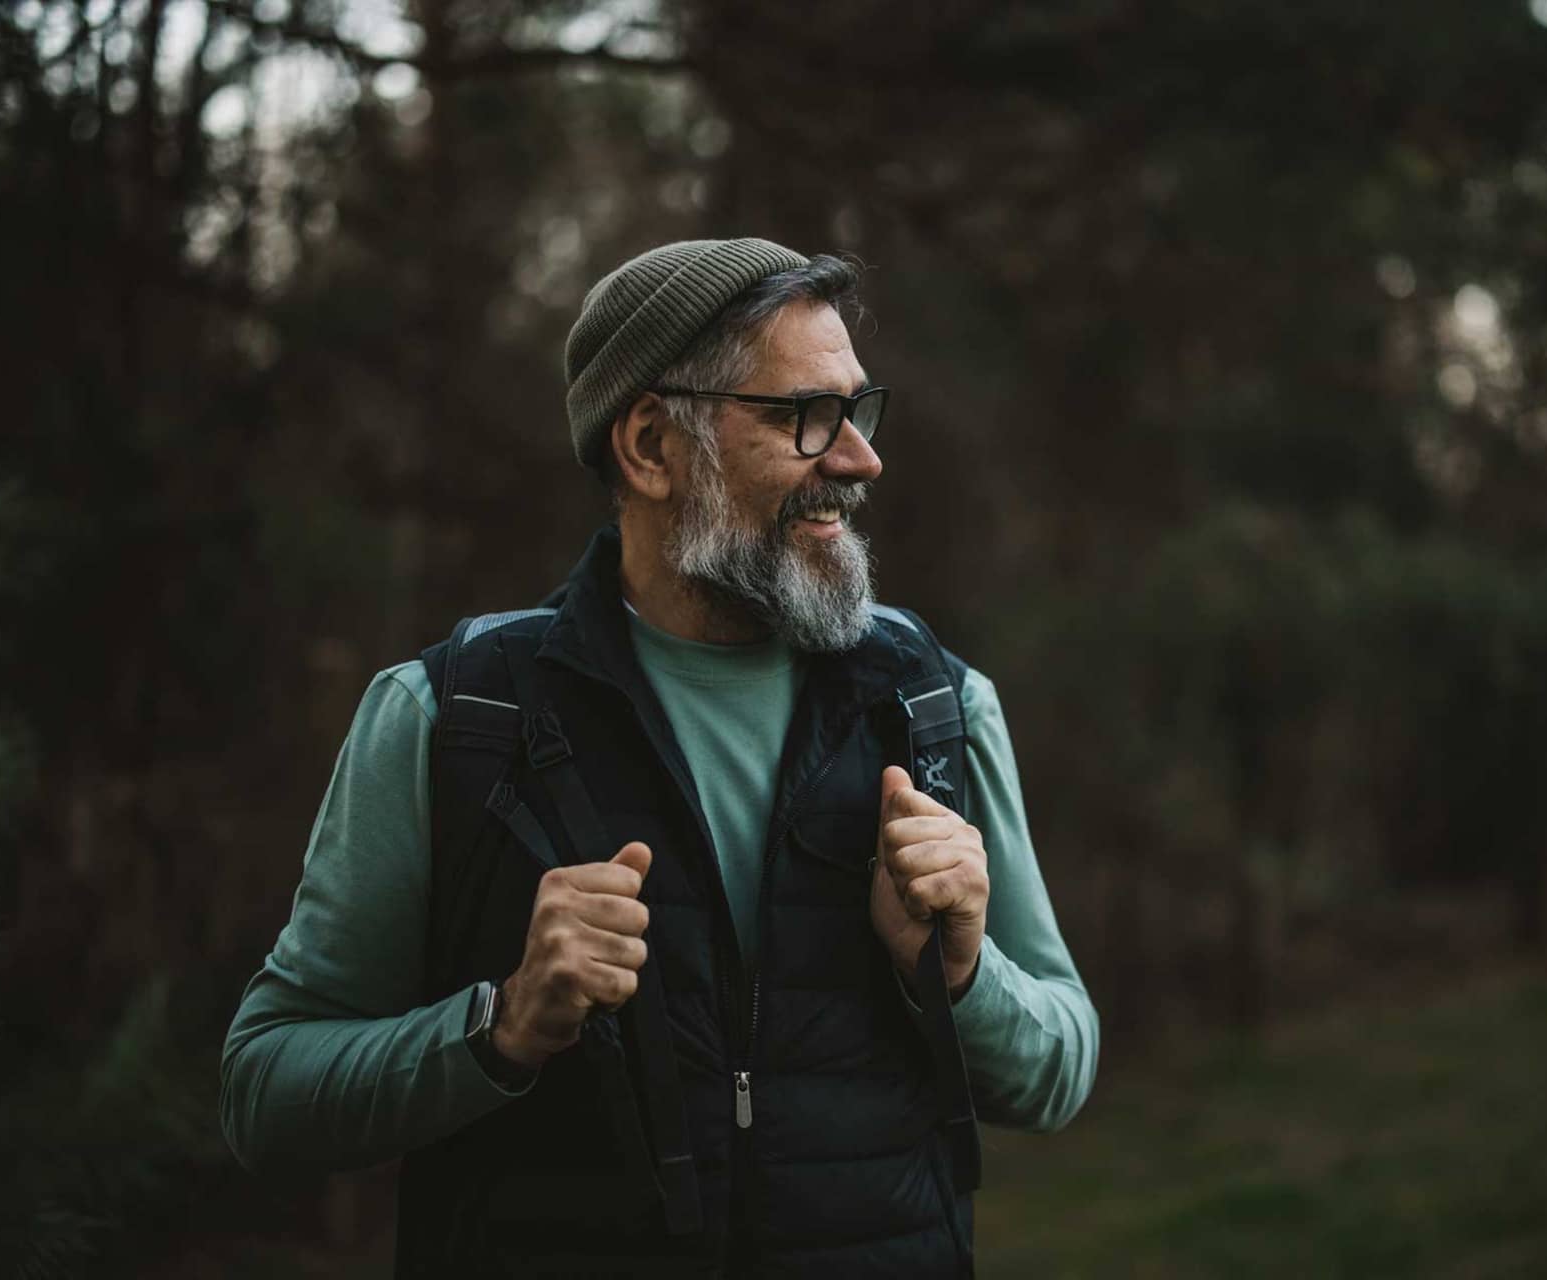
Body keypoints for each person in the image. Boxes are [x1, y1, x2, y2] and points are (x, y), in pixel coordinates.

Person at [220, 238, 1099, 1276]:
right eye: (804, 416)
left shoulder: (933, 703)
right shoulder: (455, 714)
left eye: (858, 411)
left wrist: (956, 970)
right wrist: (499, 1027)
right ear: (648, 444)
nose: (861, 458)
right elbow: (263, 1091)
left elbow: (1057, 1066)